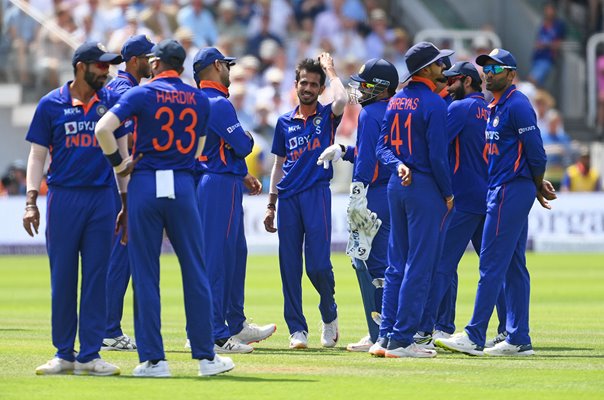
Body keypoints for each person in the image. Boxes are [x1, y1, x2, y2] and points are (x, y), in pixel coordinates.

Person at [94, 39, 233, 377]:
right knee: (195, 270)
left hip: (145, 182)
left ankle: (154, 361)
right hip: (183, 183)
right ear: (182, 66)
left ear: (156, 63)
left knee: (145, 273)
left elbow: (103, 129)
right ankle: (206, 358)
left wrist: (120, 163)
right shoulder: (200, 99)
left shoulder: (141, 94)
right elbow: (199, 147)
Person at [435, 48, 556, 357]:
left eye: (496, 68)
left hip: (508, 191)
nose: (489, 73)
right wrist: (535, 181)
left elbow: (536, 150)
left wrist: (535, 182)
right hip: (503, 188)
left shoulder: (517, 105)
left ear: (511, 74)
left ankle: (474, 335)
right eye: (486, 68)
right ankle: (518, 338)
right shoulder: (494, 106)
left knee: (491, 263)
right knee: (514, 266)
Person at [23, 42, 124, 376]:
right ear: (81, 66)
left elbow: (120, 155)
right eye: (101, 66)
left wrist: (125, 200)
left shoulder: (111, 102)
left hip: (102, 198)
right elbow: (38, 155)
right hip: (63, 197)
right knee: (63, 276)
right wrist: (30, 200)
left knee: (97, 277)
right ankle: (64, 353)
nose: (107, 71)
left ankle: (90, 355)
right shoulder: (51, 103)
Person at [415, 61, 508, 348]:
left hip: (463, 199)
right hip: (488, 195)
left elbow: (437, 147)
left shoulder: (459, 108)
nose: (446, 83)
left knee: (441, 263)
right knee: (493, 267)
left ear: (467, 82)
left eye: (452, 80)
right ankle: (508, 328)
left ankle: (431, 329)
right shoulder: (491, 109)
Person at [191, 46, 277, 354]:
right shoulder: (217, 102)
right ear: (216, 66)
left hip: (220, 180)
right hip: (217, 184)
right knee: (218, 258)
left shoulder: (200, 100)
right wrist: (248, 142)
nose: (229, 71)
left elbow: (219, 148)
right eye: (226, 66)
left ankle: (234, 323)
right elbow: (242, 144)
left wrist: (240, 173)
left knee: (233, 254)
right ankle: (213, 331)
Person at [374, 41, 454, 358]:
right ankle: (403, 339)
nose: (443, 68)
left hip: (398, 183)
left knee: (397, 263)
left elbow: (382, 148)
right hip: (424, 187)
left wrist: (398, 165)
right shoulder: (435, 104)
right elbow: (438, 157)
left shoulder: (394, 103)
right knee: (420, 265)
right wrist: (448, 192)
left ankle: (386, 336)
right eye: (438, 64)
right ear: (425, 70)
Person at [263, 53, 348, 349]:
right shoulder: (284, 122)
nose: (308, 88)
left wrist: (330, 69)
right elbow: (278, 165)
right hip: (288, 199)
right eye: (304, 82)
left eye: (314, 84)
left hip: (316, 196)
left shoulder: (327, 116)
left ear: (320, 88)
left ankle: (329, 314)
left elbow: (343, 100)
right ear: (295, 84)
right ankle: (297, 329)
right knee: (289, 267)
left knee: (318, 266)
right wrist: (271, 203)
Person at [316, 58, 400, 352]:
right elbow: (374, 151)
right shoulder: (397, 108)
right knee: (387, 262)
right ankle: (385, 328)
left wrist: (358, 190)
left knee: (369, 262)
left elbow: (369, 161)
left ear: (380, 87)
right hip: (396, 190)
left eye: (365, 84)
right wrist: (344, 150)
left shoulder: (370, 114)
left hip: (375, 192)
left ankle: (381, 331)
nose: (360, 90)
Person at [101, 34, 154, 352]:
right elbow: (129, 140)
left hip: (110, 179)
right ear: (135, 60)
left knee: (117, 256)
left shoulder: (117, 88)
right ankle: (109, 329)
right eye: (149, 57)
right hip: (120, 181)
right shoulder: (127, 91)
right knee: (122, 255)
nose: (153, 62)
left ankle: (106, 327)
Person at [529, 2, 566, 87]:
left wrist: (545, 45)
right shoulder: (543, 24)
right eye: (547, 9)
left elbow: (559, 44)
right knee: (537, 86)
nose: (548, 12)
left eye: (550, 9)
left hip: (547, 58)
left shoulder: (559, 25)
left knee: (532, 80)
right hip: (537, 57)